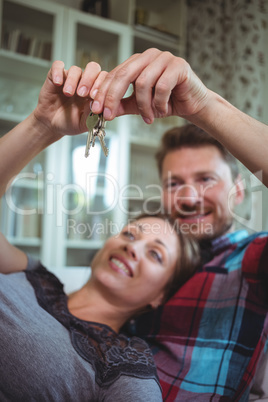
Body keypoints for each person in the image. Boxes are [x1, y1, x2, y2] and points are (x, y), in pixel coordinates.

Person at [0, 62, 200, 401]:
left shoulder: (123, 366)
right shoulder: (34, 275)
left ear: (160, 296)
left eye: (155, 254)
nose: (132, 248)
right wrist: (43, 126)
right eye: (130, 234)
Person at [87, 48, 268, 400]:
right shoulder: (143, 249)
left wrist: (206, 108)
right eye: (174, 184)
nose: (188, 197)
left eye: (206, 180)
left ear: (238, 191)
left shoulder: (252, 257)